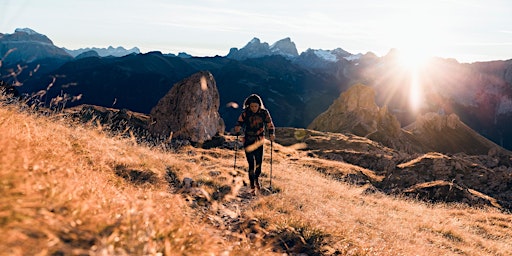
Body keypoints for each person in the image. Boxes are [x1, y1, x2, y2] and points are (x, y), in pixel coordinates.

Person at [234, 94, 275, 195]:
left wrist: (271, 134)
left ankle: (256, 180)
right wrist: (237, 128)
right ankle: (252, 186)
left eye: (255, 106)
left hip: (259, 141)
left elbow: (270, 124)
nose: (253, 108)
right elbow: (239, 123)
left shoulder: (264, 113)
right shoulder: (245, 113)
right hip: (248, 140)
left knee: (259, 164)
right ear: (248, 106)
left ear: (259, 105)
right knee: (251, 164)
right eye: (252, 106)